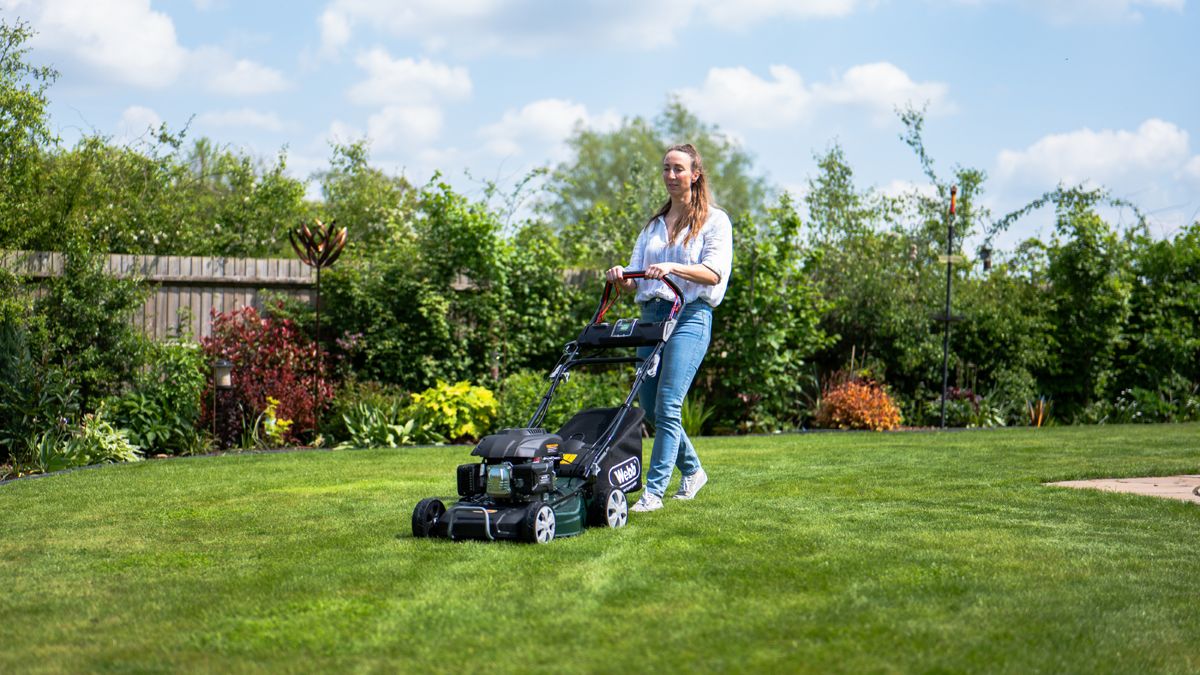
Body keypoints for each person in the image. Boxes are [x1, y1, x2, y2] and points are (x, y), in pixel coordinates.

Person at [605, 143, 733, 513]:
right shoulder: (653, 227)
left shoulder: (715, 221)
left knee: (669, 402)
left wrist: (674, 267)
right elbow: (635, 279)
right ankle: (693, 470)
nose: (671, 176)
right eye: (666, 169)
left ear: (695, 174)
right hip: (652, 318)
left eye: (678, 169)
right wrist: (620, 277)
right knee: (649, 405)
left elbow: (713, 273)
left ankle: (653, 492)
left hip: (690, 316)